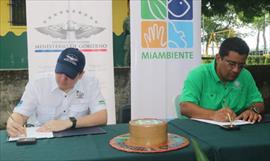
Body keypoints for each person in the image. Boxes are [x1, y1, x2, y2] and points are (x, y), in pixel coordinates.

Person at [6, 48, 107, 137]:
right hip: (42, 137)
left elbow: (102, 116)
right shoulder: (38, 83)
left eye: (69, 75)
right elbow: (21, 114)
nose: (62, 79)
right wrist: (13, 124)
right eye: (60, 71)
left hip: (76, 139)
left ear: (80, 75)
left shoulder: (90, 83)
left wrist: (69, 123)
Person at [179, 37, 264, 123]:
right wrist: (213, 115)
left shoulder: (245, 75)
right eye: (231, 64)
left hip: (235, 130)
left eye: (241, 65)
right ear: (218, 58)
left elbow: (259, 103)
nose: (236, 70)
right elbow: (185, 107)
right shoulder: (199, 74)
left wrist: (253, 110)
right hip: (199, 130)